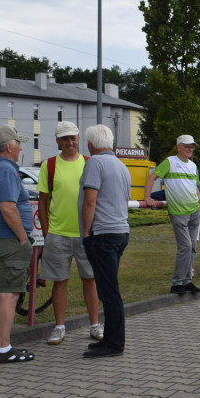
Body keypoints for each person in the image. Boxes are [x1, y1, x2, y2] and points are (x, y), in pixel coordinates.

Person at [38, 121, 103, 346]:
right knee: (59, 281)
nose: (70, 142)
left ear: (79, 138)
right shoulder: (50, 165)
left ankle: (95, 324)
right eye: (65, 138)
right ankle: (59, 326)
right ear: (57, 141)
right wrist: (47, 233)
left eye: (73, 137)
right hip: (58, 234)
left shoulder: (89, 162)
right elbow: (43, 203)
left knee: (90, 280)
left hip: (86, 234)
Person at [0, 125, 34, 364]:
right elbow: (8, 207)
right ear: (9, 146)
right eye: (18, 144)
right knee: (9, 296)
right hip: (8, 240)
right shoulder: (6, 171)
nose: (21, 148)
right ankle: (4, 348)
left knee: (0, 295)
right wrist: (23, 237)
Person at [80, 124, 132, 358]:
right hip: (121, 232)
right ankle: (110, 339)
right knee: (107, 288)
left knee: (109, 291)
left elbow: (90, 201)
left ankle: (114, 344)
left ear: (91, 145)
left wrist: (86, 231)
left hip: (103, 234)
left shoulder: (95, 163)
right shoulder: (122, 166)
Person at [144, 135, 200, 295]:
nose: (190, 149)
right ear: (179, 147)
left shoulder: (193, 166)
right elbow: (152, 177)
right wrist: (147, 197)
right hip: (178, 211)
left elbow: (195, 186)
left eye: (192, 146)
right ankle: (177, 283)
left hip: (194, 211)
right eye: (187, 146)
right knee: (185, 246)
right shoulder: (170, 161)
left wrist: (199, 200)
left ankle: (186, 281)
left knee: (192, 248)